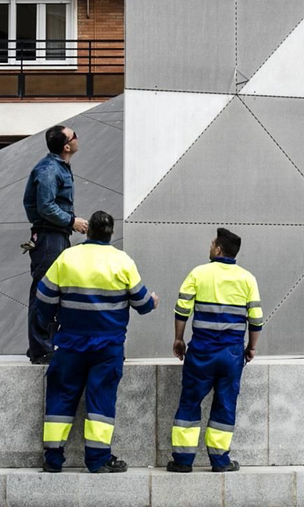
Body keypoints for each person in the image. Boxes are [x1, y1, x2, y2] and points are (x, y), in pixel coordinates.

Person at [34, 210, 156, 474]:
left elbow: (43, 298)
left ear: (88, 231)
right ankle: (98, 459)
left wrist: (49, 321)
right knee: (101, 399)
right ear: (111, 234)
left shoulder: (67, 257)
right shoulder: (122, 261)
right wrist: (153, 301)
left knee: (61, 395)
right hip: (108, 348)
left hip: (70, 344)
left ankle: (53, 458)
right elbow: (142, 304)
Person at [166, 228, 264, 474]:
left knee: (190, 402)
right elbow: (256, 319)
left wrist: (178, 339)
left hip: (202, 351)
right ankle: (220, 461)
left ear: (218, 249)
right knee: (225, 404)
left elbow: (182, 309)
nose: (210, 246)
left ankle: (183, 461)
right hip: (231, 354)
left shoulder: (198, 273)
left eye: (212, 243)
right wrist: (251, 347)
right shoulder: (247, 279)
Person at [22, 124, 88, 363]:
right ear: (66, 146)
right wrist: (72, 221)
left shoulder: (59, 167)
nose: (78, 137)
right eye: (74, 135)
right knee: (44, 290)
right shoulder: (50, 170)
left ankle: (43, 344)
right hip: (49, 237)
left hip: (56, 235)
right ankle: (40, 348)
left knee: (53, 290)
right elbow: (46, 207)